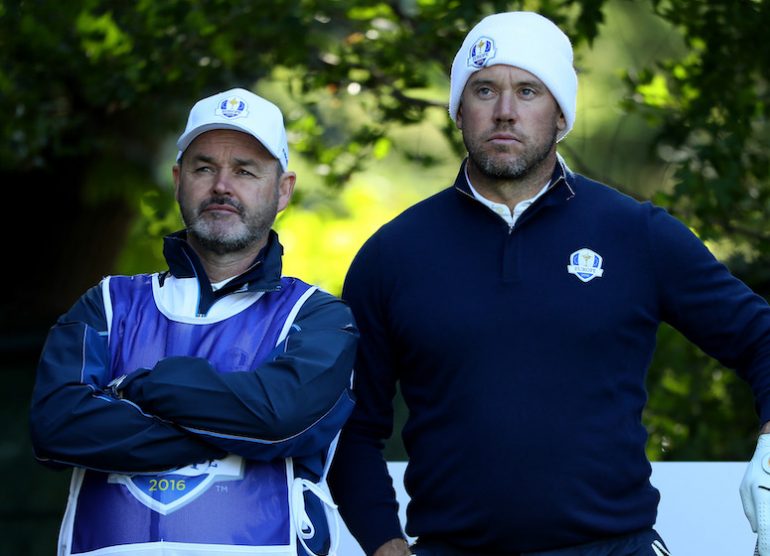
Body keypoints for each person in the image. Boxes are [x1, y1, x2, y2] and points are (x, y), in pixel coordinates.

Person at [327, 11, 770, 556]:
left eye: (529, 91)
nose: (505, 112)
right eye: (484, 90)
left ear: (561, 114)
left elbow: (760, 338)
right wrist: (383, 544)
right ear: (459, 111)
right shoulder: (393, 255)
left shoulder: (635, 234)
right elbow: (351, 428)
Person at [29, 87, 358, 556]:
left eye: (245, 171)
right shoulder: (107, 303)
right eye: (205, 168)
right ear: (179, 179)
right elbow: (57, 427)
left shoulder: (317, 316)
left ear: (283, 189)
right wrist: (234, 433)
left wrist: (139, 388)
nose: (222, 185)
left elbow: (278, 419)